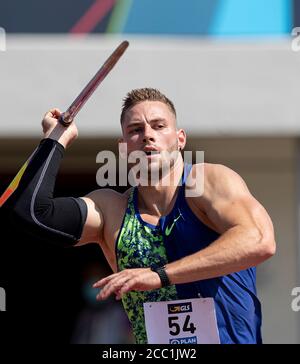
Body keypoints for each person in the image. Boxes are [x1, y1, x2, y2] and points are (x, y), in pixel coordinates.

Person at [9, 88, 276, 344]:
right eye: (135, 130)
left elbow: (260, 240)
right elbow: (33, 213)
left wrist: (160, 275)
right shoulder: (112, 211)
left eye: (159, 126)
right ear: (123, 147)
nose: (148, 135)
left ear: (180, 139)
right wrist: (54, 140)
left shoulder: (204, 182)